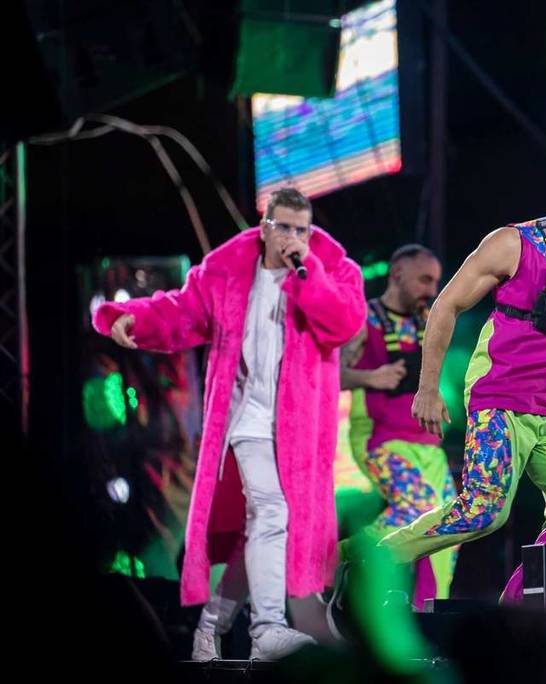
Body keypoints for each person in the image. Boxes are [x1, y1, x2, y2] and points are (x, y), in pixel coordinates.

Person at [345, 140, 546, 601]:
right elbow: (446, 306)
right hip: (500, 400)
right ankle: (372, 556)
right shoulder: (515, 243)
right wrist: (427, 388)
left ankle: (519, 612)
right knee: (484, 512)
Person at [93, 188, 365, 660]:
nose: (293, 238)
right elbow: (179, 311)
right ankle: (266, 630)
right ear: (265, 227)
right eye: (284, 227)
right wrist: (128, 316)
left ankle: (210, 627)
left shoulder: (332, 268)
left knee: (260, 530)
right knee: (272, 513)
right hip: (245, 420)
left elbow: (344, 323)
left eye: (302, 230)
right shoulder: (226, 270)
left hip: (299, 433)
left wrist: (310, 275)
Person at [341, 244, 458, 608]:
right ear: (396, 275)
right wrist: (371, 377)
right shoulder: (364, 319)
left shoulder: (429, 322)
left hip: (429, 445)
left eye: (435, 282)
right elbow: (330, 375)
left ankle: (429, 612)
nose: (431, 290)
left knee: (452, 526)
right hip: (382, 439)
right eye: (424, 280)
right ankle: (338, 558)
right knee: (414, 509)